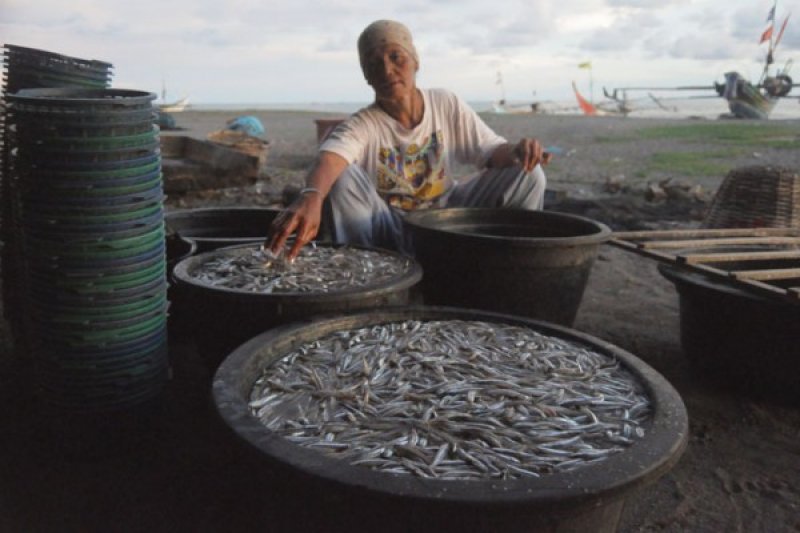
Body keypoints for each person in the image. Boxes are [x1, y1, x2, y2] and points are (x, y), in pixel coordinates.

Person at [268, 19, 550, 259]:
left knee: (529, 174)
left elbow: (491, 151)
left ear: (415, 61)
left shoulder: (445, 102)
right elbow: (329, 158)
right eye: (374, 64)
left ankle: (511, 263)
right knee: (341, 179)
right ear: (367, 76)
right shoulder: (364, 123)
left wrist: (518, 151)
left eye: (395, 57)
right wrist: (311, 197)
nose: (387, 70)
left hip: (449, 220)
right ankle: (371, 274)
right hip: (390, 230)